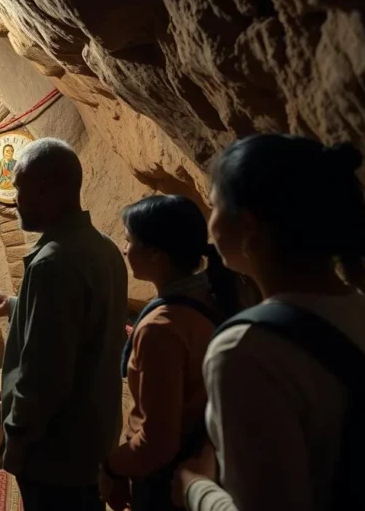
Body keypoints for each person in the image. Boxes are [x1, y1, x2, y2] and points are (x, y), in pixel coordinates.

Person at [174, 135, 365, 511]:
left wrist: (194, 488)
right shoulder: (363, 312)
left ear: (248, 226)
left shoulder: (246, 350)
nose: (209, 221)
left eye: (213, 205)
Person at [0, 138, 128, 511]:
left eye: (18, 187)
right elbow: (85, 323)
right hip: (93, 437)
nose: (14, 198)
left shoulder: (53, 263)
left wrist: (17, 438)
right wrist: (14, 305)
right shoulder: (103, 249)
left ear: (43, 188)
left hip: (56, 450)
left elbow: (44, 373)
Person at [97, 195, 239, 511]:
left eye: (129, 241)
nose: (124, 249)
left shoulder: (161, 327)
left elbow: (157, 440)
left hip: (165, 480)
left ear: (156, 255)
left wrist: (113, 467)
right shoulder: (211, 297)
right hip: (199, 461)